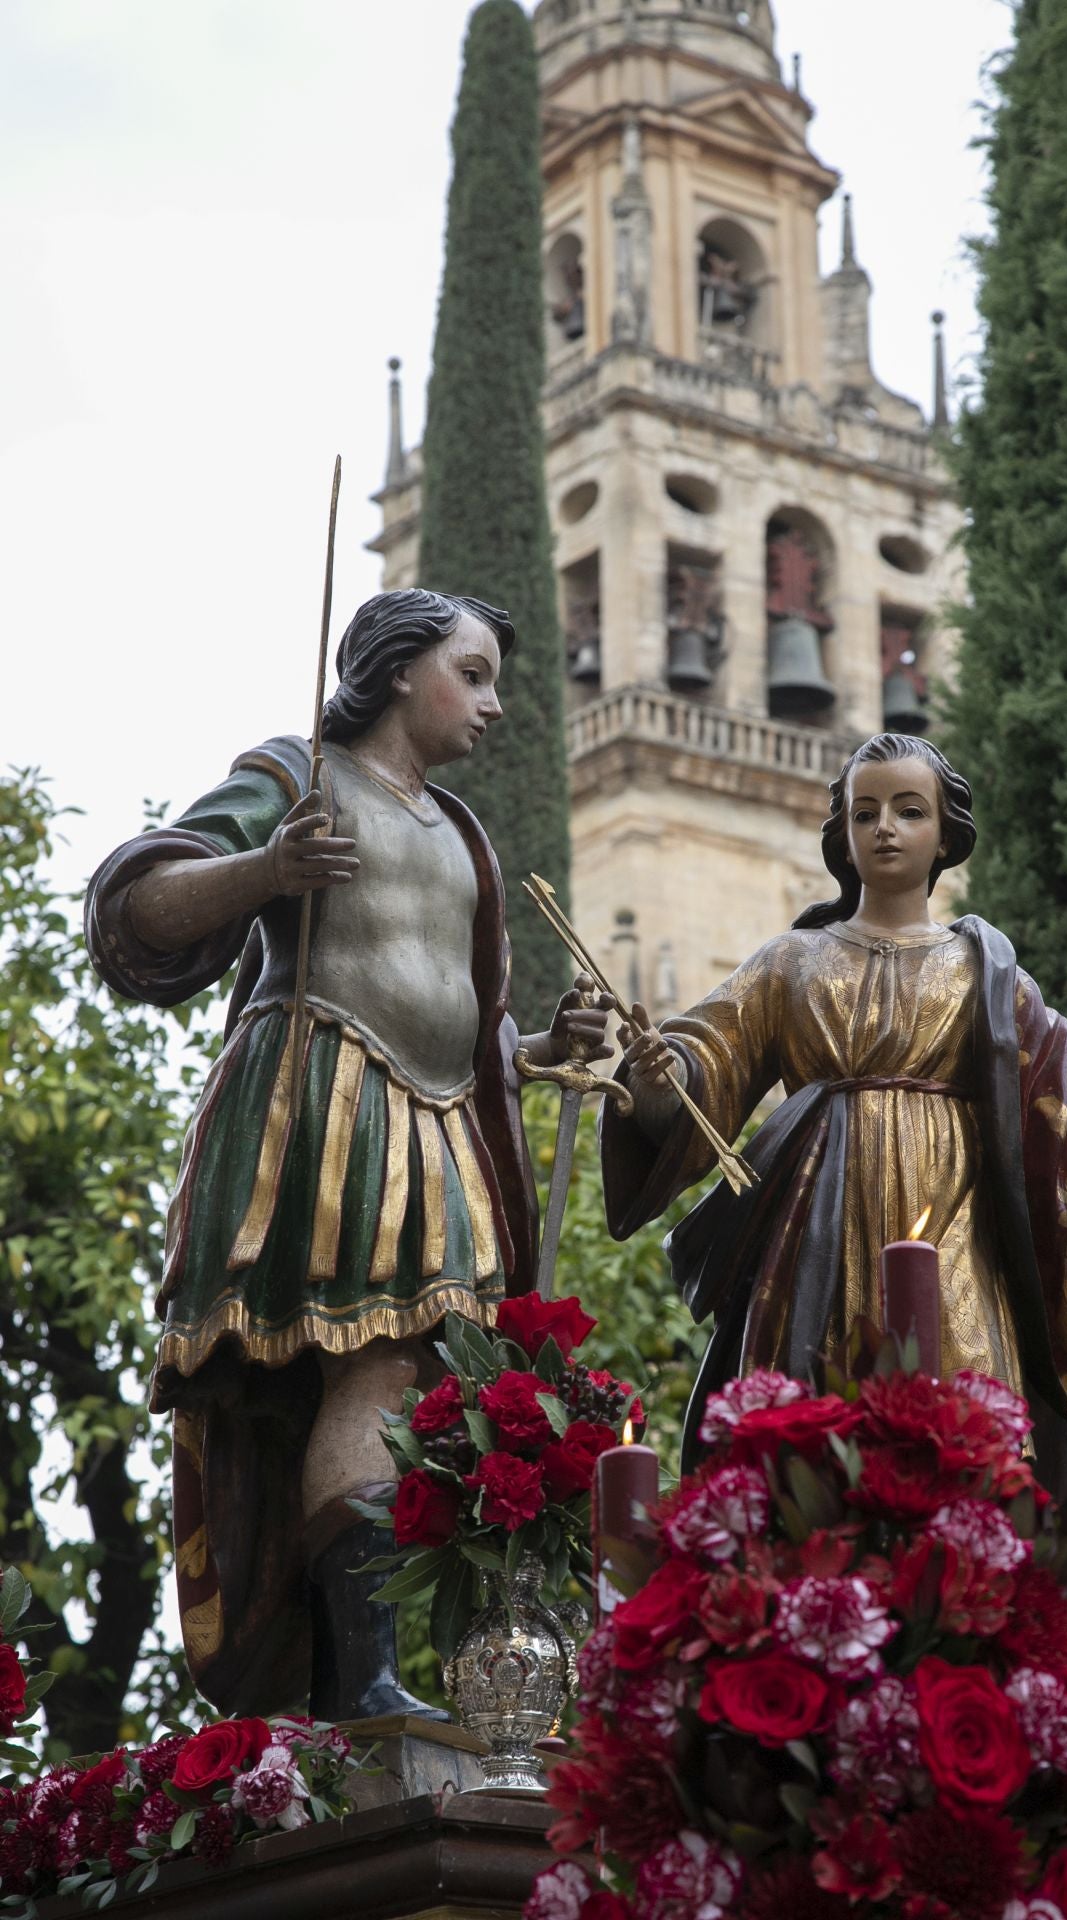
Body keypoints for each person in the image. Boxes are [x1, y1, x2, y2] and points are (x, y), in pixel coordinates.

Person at [86, 588, 609, 1718]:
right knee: (372, 1378)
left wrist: (532, 1050)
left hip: (440, 1123)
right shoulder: (297, 775)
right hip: (319, 1106)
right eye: (470, 674)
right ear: (392, 668)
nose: (495, 705)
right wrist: (266, 870)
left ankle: (358, 1677)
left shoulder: (461, 830)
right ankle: (363, 1682)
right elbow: (143, 906)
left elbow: (447, 1008)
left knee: (406, 1388)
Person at [599, 733, 1067, 1506]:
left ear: (944, 835)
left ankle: (957, 1604)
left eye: (909, 811)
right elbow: (708, 1054)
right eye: (865, 811)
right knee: (812, 1442)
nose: (885, 827)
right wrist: (663, 1076)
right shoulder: (793, 961)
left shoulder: (986, 970)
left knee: (965, 1433)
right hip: (817, 1235)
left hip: (957, 1233)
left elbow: (1053, 1112)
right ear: (842, 836)